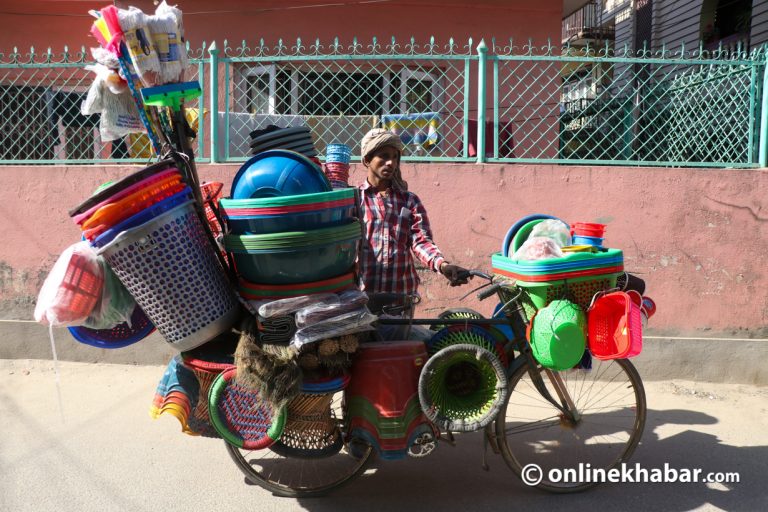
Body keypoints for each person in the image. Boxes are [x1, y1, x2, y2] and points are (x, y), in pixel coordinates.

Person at [357, 128, 470, 338]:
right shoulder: (356, 200)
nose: (390, 163)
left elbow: (420, 241)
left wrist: (442, 265)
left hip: (400, 300)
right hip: (363, 299)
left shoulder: (409, 201)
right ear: (367, 160)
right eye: (383, 156)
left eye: (394, 157)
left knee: (396, 359)